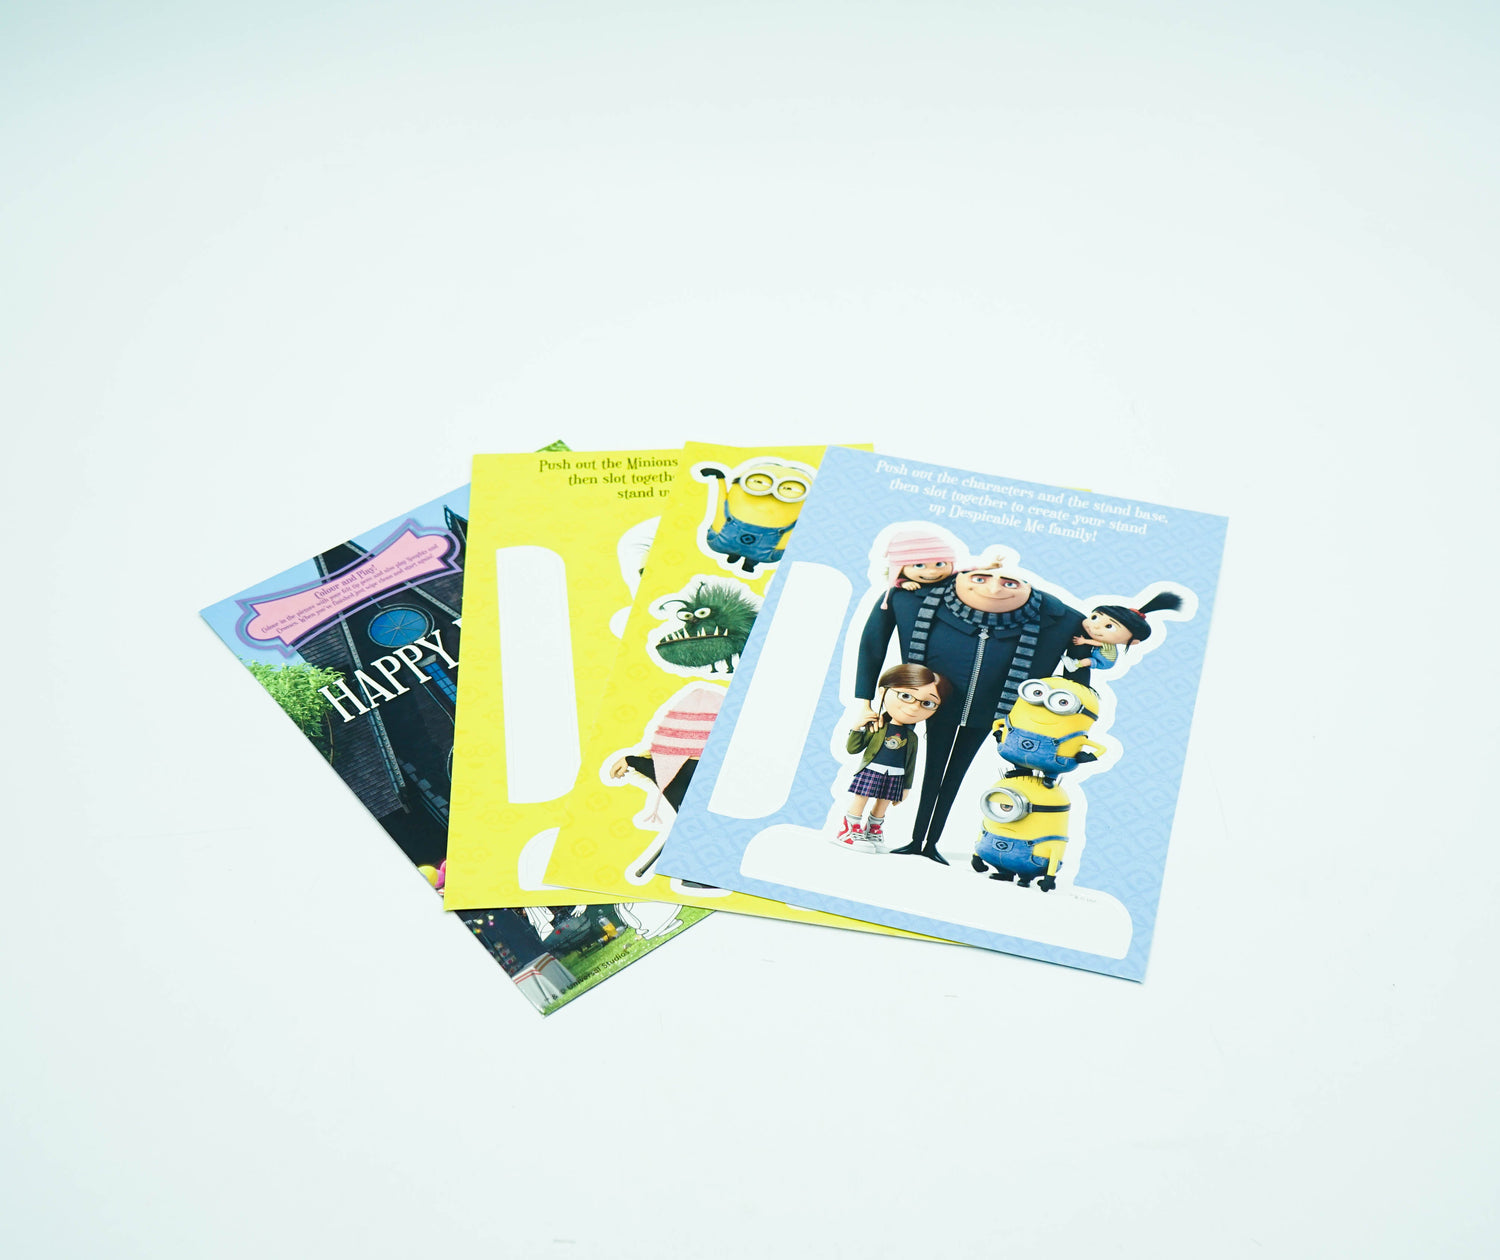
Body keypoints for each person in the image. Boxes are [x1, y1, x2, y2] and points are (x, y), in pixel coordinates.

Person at [854, 557, 1084, 863]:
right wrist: (864, 701)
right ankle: (915, 839)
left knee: (955, 775)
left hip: (997, 713)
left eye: (1009, 582)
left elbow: (1077, 683)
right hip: (929, 704)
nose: (994, 588)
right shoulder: (908, 598)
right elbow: (872, 645)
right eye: (981, 578)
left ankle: (931, 841)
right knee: (924, 770)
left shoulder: (1063, 620)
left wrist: (1068, 733)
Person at [833, 664, 948, 853]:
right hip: (872, 770)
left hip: (895, 775)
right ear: (883, 691)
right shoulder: (877, 727)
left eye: (927, 703)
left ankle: (872, 831)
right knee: (861, 798)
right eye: (906, 696)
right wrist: (857, 727)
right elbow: (853, 749)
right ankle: (848, 830)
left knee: (883, 803)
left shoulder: (912, 738)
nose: (914, 707)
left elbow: (910, 764)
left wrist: (906, 787)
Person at [1061, 591, 1183, 685]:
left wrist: (1084, 641)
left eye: (1109, 626)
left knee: (1089, 661)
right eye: (1094, 617)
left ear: (1132, 642)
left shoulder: (1107, 644)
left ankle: (1074, 665)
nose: (1095, 626)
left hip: (1104, 661)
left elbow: (1098, 644)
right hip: (1101, 657)